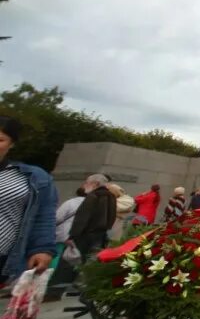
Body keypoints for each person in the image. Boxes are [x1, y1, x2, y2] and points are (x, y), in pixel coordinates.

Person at [0, 116, 58, 284]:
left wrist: (42, 249)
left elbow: (44, 216)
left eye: (1, 139)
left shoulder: (33, 178)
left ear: (12, 144)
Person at [68, 173, 117, 258]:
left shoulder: (93, 195)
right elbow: (112, 216)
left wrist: (72, 235)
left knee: (76, 260)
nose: (85, 185)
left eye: (87, 182)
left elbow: (82, 217)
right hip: (101, 234)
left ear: (95, 184)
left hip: (85, 234)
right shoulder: (111, 196)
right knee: (91, 259)